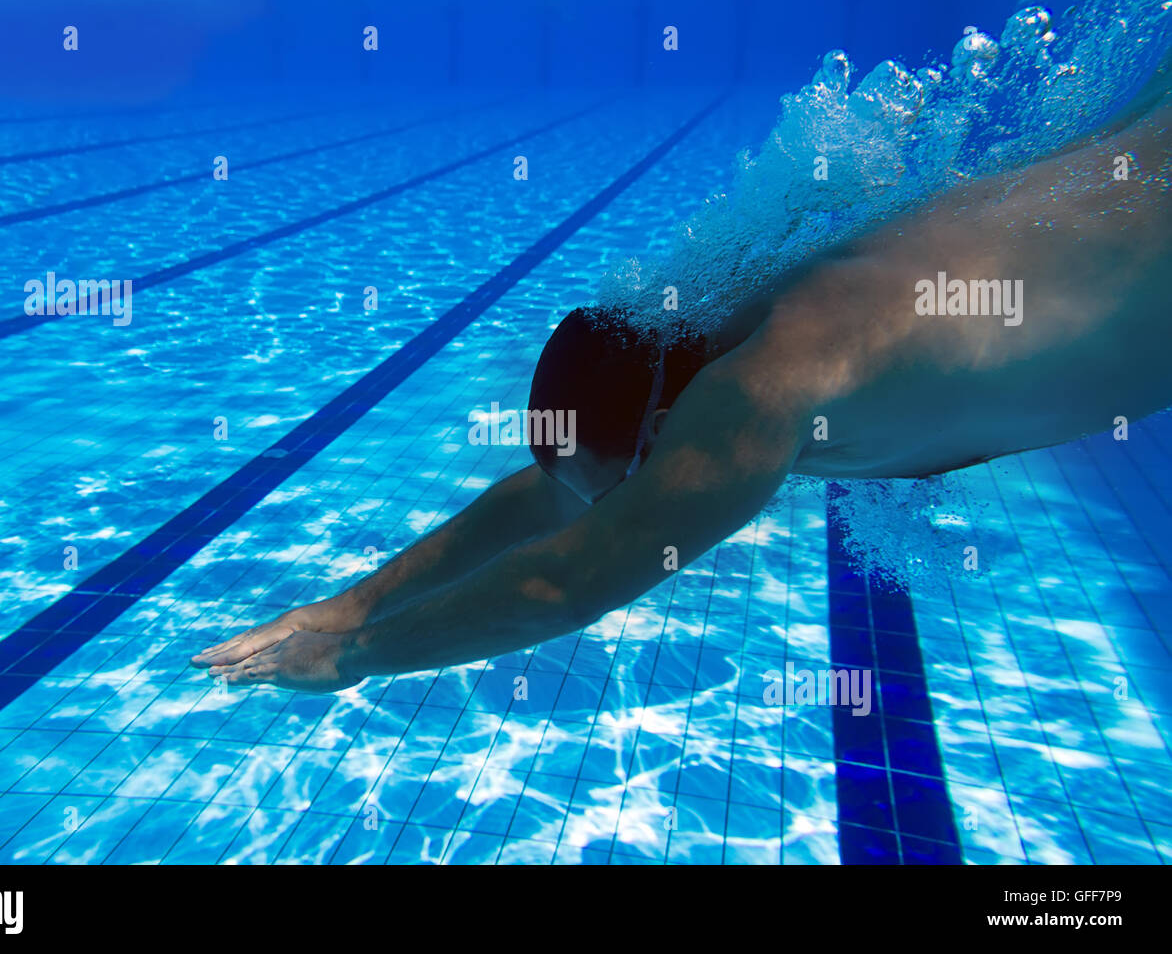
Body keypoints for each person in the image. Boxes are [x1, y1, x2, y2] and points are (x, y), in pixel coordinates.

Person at [192, 56, 1172, 693]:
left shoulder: (764, 383)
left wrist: (354, 656)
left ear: (663, 438)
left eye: (632, 488)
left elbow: (563, 581)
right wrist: (342, 604)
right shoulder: (703, 336)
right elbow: (555, 496)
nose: (624, 507)